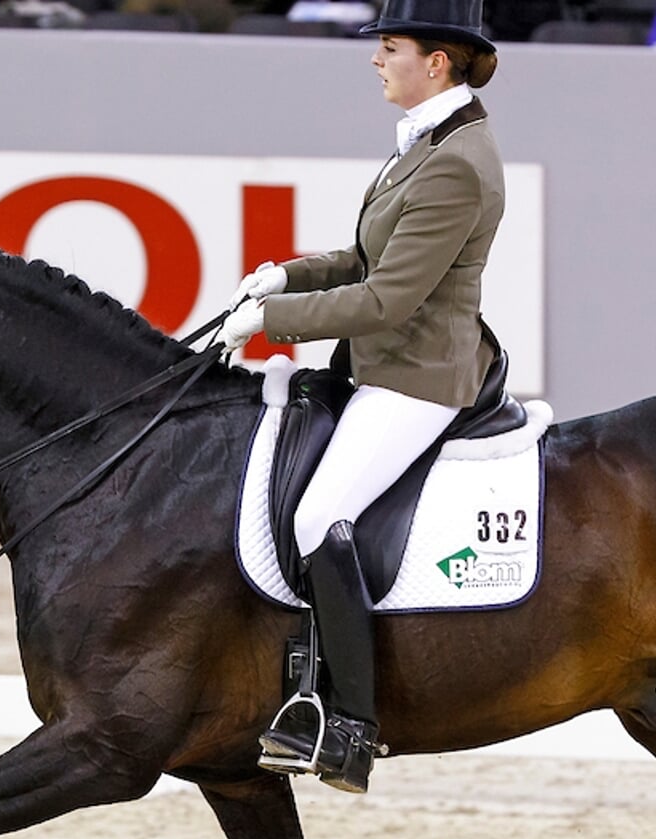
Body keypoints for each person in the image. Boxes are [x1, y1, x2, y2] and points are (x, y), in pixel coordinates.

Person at [219, 0, 505, 795]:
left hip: (417, 373)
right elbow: (365, 255)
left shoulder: (455, 159)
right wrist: (286, 273)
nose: (375, 61)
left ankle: (348, 723)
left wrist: (268, 320)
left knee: (318, 517)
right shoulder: (428, 140)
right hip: (381, 361)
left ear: (437, 61)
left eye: (389, 47)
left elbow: (387, 300)